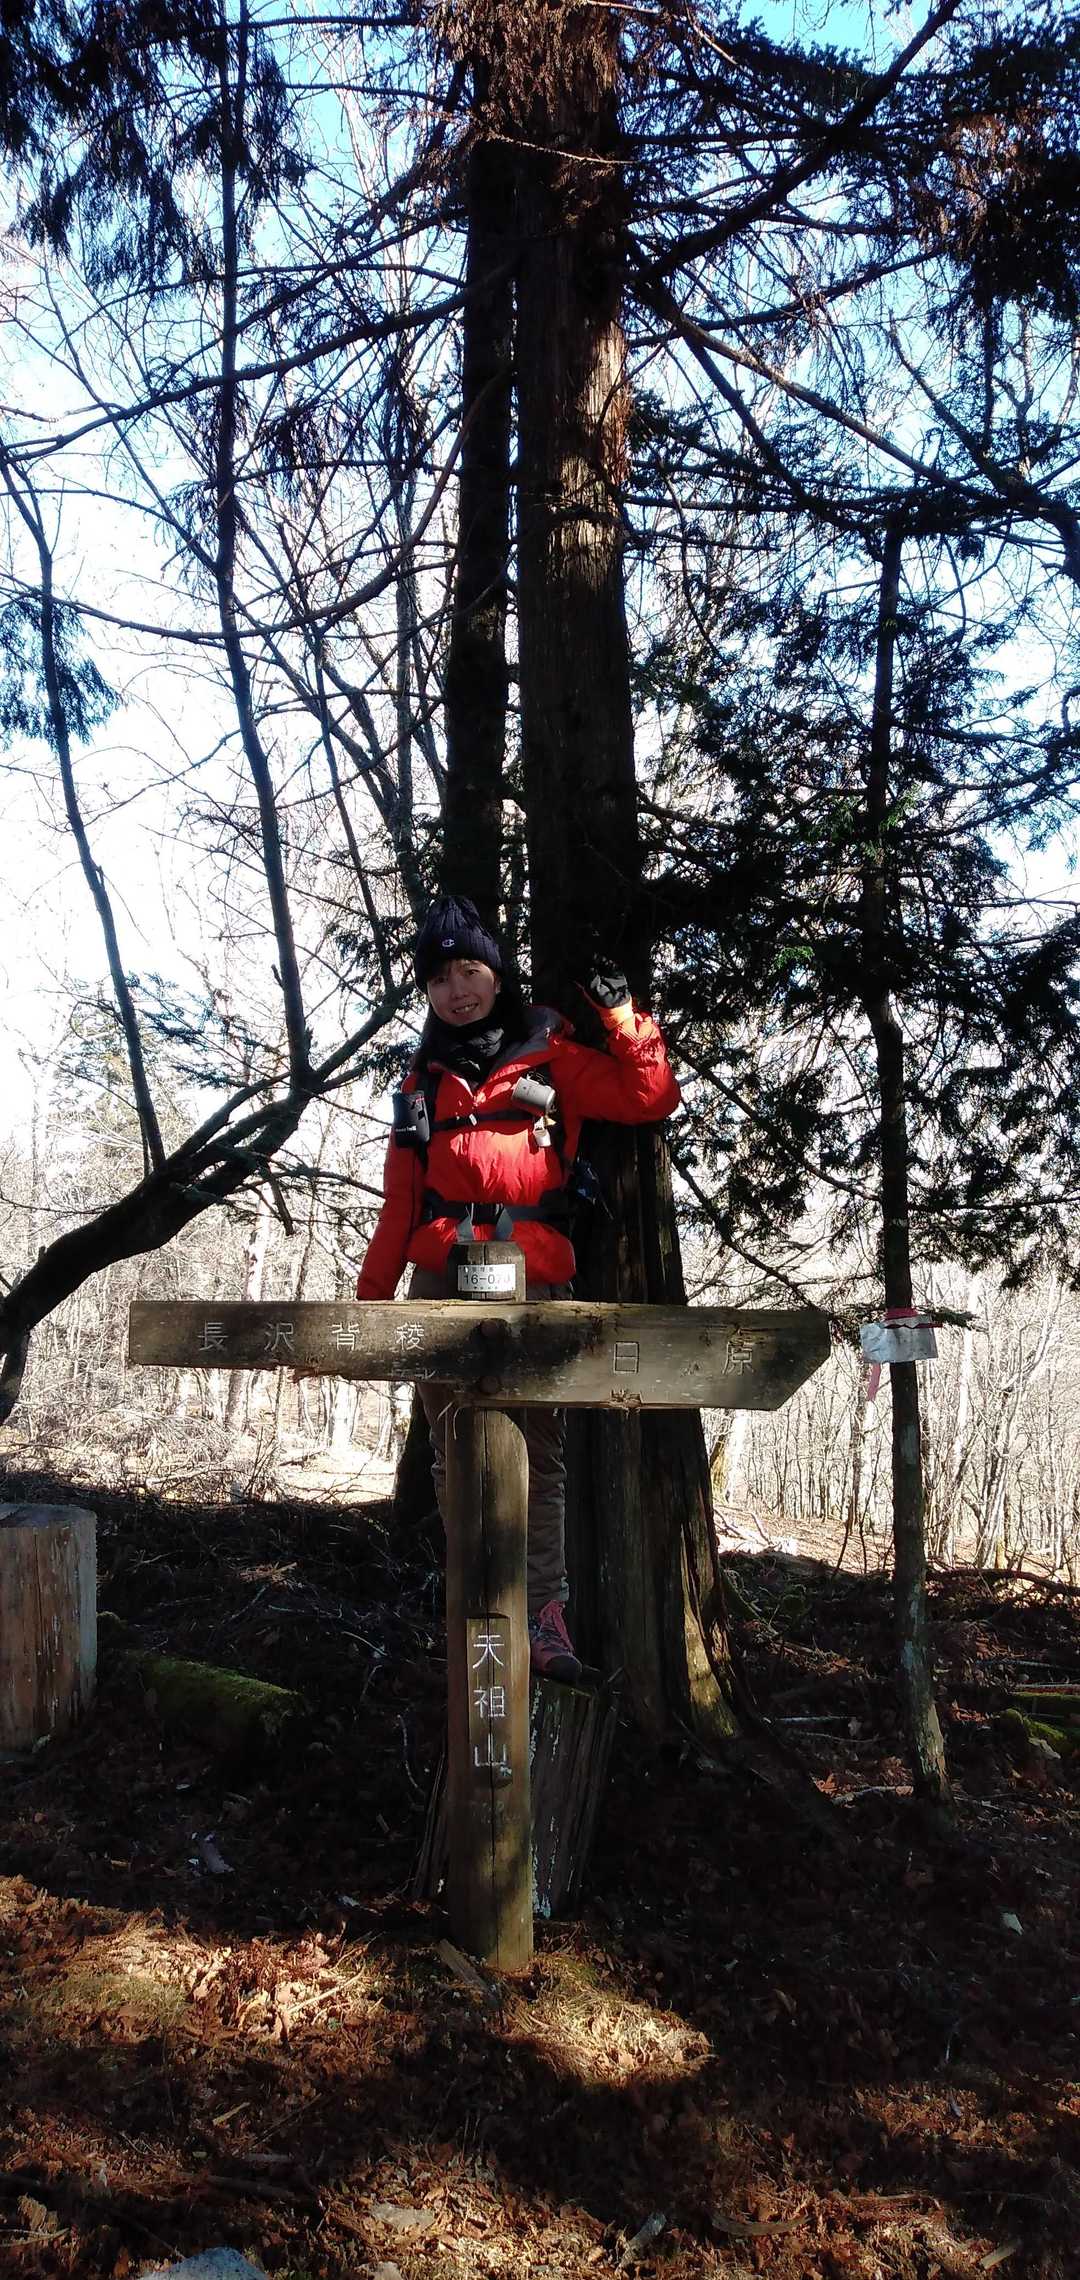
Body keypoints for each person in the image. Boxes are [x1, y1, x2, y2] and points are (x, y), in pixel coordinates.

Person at [356, 894, 680, 1682]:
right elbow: (400, 1204)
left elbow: (649, 1096)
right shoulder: (419, 1085)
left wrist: (623, 1019)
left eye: (468, 971)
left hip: (533, 1275)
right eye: (439, 979)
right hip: (442, 1277)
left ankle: (541, 1615)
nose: (456, 990)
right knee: (449, 1448)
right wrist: (365, 1313)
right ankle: (473, 1602)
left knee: (540, 1452)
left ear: (497, 975)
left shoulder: (551, 1057)